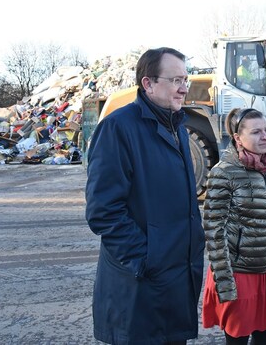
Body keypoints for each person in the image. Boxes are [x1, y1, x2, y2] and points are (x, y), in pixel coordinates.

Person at [85, 47, 205, 344]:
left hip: (175, 282)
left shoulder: (178, 126)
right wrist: (145, 259)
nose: (184, 88)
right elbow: (104, 211)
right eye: (176, 80)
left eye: (185, 80)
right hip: (140, 287)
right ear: (148, 83)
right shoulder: (117, 129)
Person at [202, 108, 266, 345]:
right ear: (238, 139)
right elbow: (215, 231)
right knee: (238, 337)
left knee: (265, 338)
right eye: (256, 132)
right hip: (240, 273)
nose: (265, 136)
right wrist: (224, 282)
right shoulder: (224, 173)